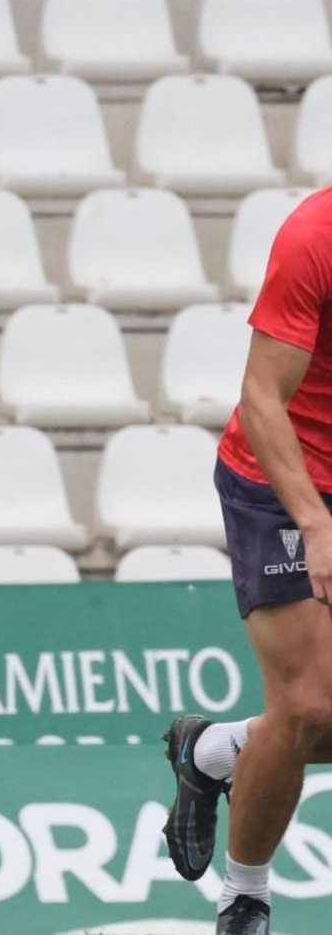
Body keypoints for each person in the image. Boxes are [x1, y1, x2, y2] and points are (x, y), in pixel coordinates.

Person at [166, 187, 332, 935]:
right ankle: (246, 898)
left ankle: (209, 750)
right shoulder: (314, 236)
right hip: (281, 478)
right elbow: (262, 395)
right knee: (309, 707)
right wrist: (314, 519)